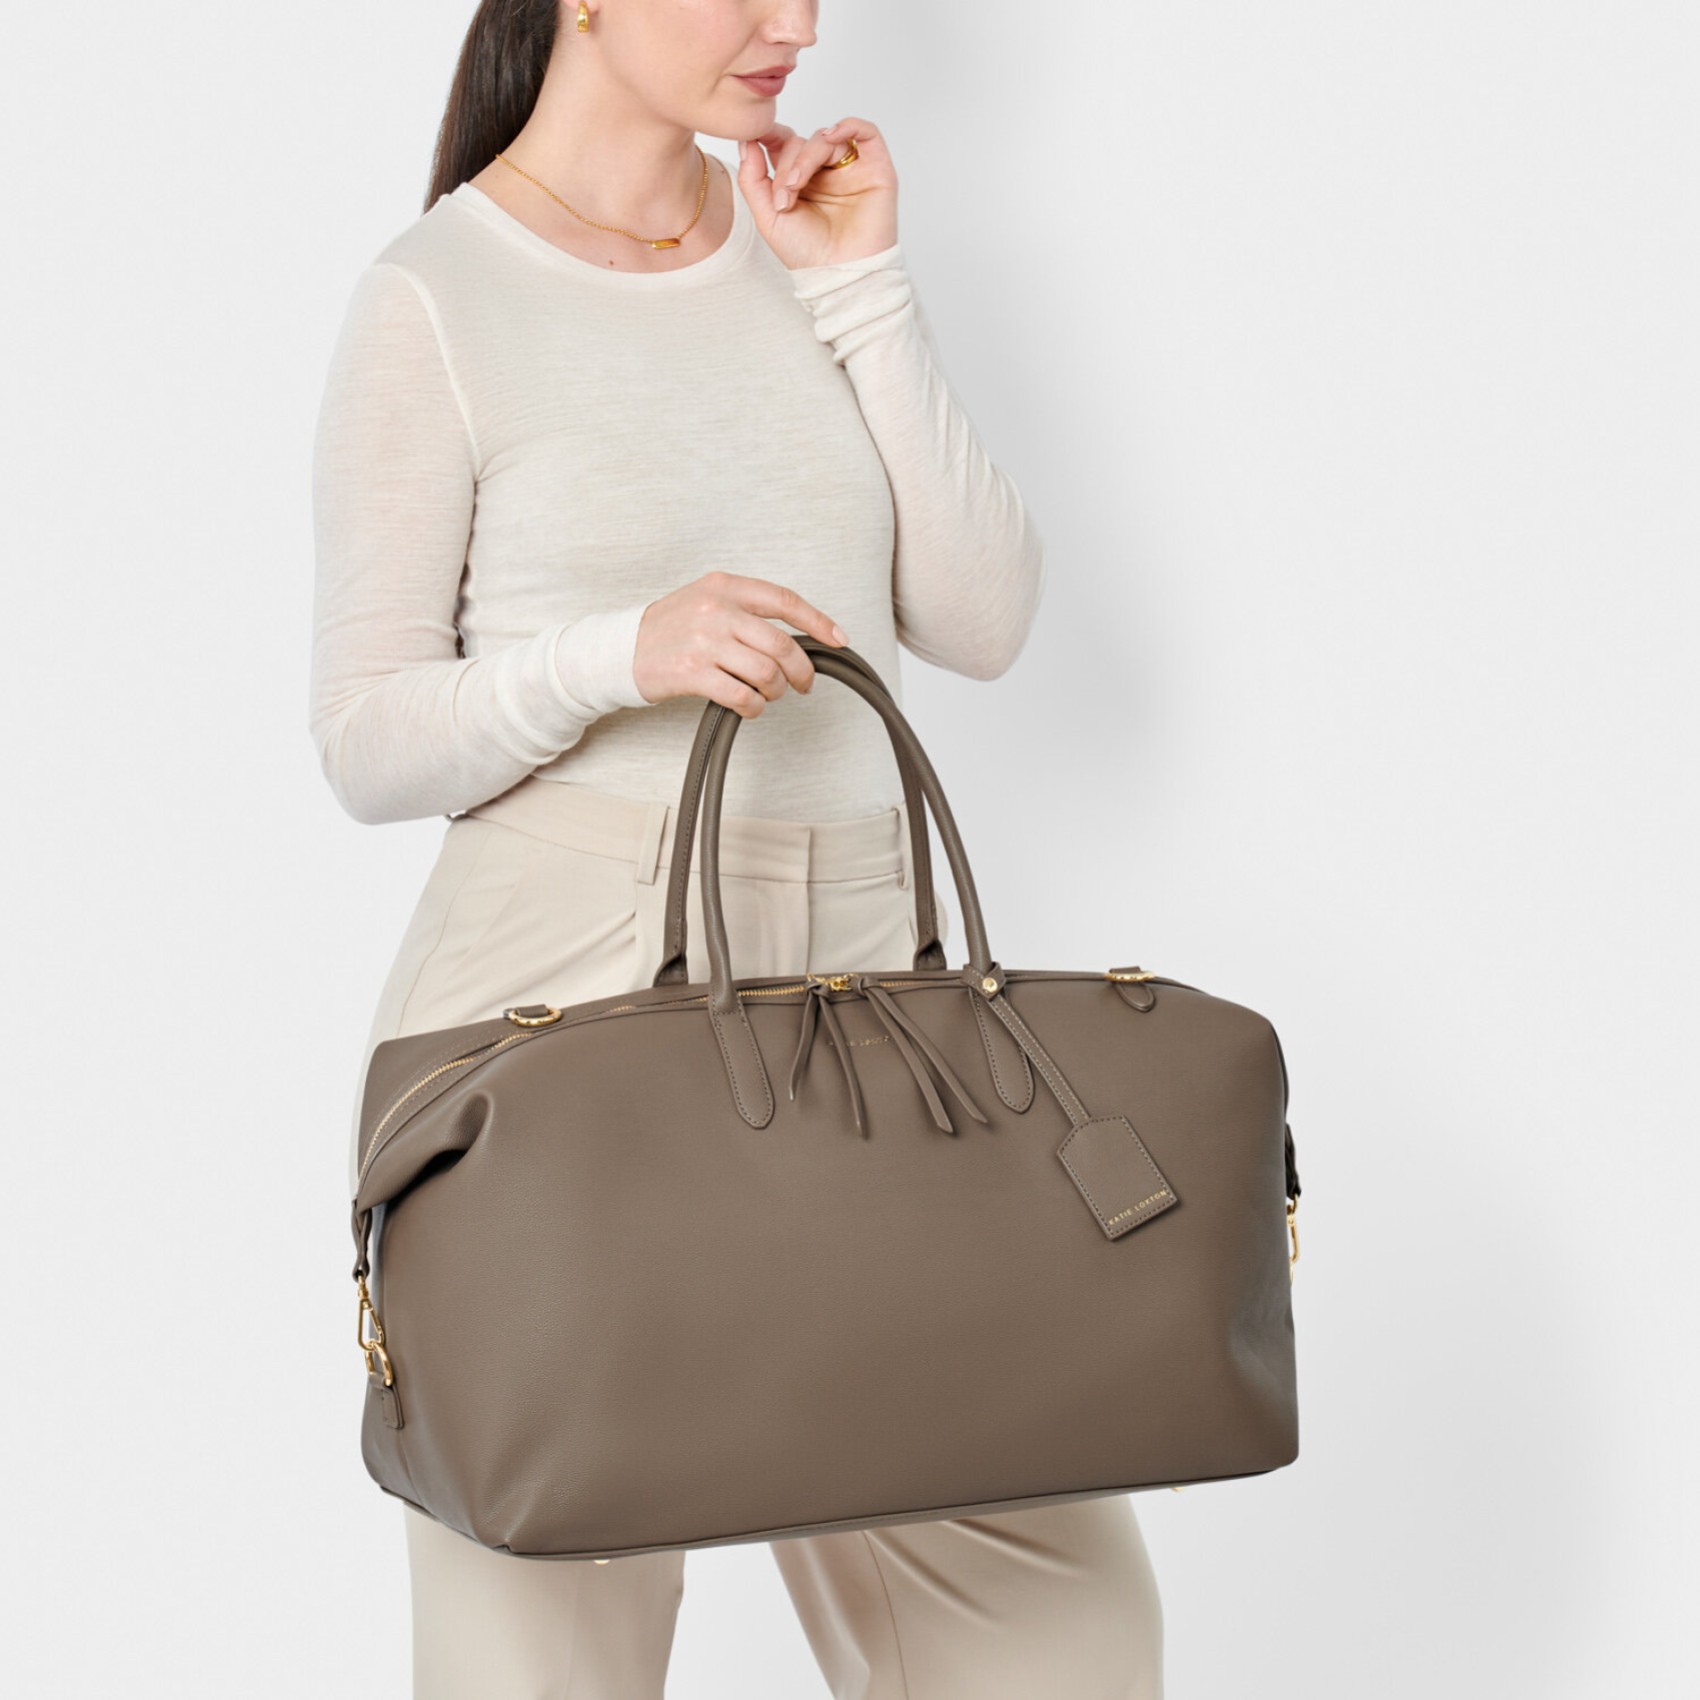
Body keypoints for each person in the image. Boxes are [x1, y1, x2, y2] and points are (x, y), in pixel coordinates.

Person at [308, 2, 1163, 1694]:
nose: (799, 24)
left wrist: (862, 286)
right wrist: (618, 655)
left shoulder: (803, 243)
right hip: (561, 1003)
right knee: (547, 1638)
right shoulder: (438, 296)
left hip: (876, 998)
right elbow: (365, 738)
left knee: (1061, 1627)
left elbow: (982, 619)